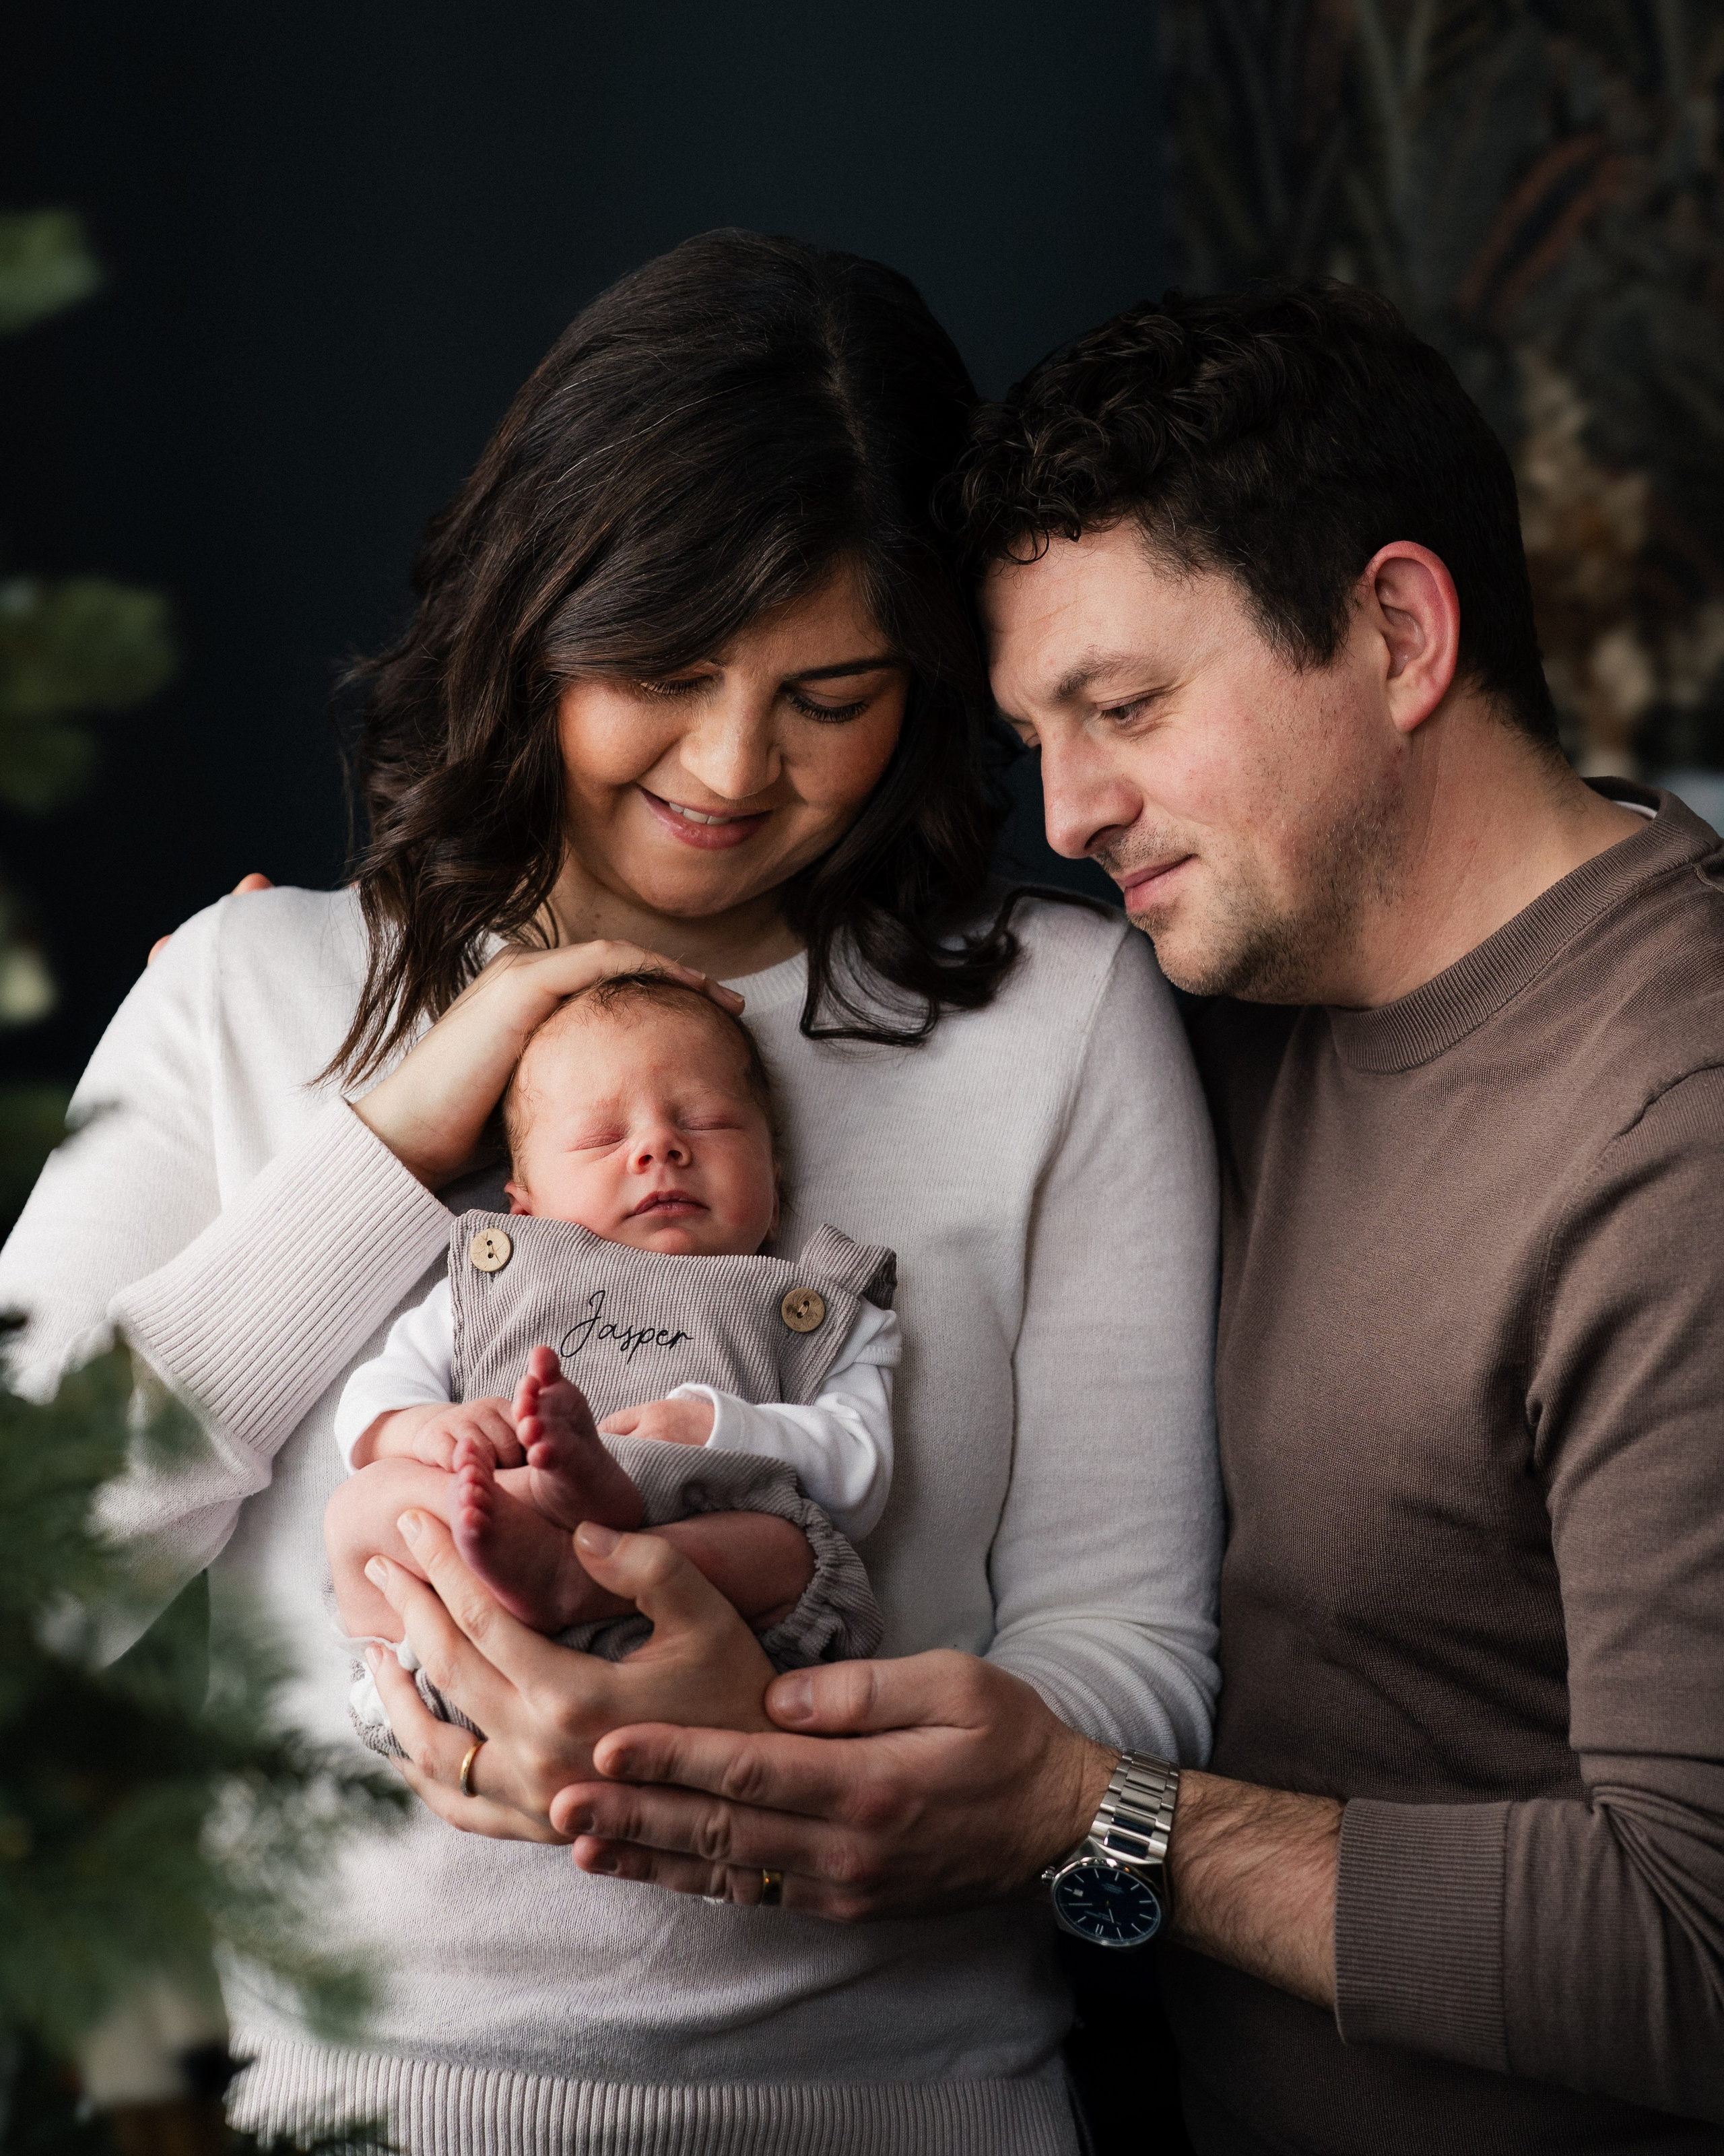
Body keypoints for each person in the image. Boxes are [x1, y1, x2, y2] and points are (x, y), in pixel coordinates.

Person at [436, 281, 1723, 2151]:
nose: (1067, 813)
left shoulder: (1674, 1138)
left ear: (1398, 631)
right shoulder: (1239, 1000)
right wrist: (314, 1023)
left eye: (1124, 708)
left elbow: (1698, 1950)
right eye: (1035, 732)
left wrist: (1081, 1815)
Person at [0, 230, 1221, 2156]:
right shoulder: (257, 995)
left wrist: (777, 1765)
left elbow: (1128, 1663)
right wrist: (393, 1144)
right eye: (663, 669)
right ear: (534, 613)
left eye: (832, 693)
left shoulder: (1057, 1022)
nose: (733, 768)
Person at [326, 972, 898, 1722]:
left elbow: (860, 1478)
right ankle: (534, 1511)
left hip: (714, 1641)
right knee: (361, 1504)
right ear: (524, 1207)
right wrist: (427, 1429)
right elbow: (368, 1407)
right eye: (602, 1137)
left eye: (707, 1122)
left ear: (774, 1179)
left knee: (786, 1549)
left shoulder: (812, 1307)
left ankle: (576, 1574)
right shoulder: (494, 1287)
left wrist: (716, 1425)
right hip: (483, 1633)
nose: (660, 1147)